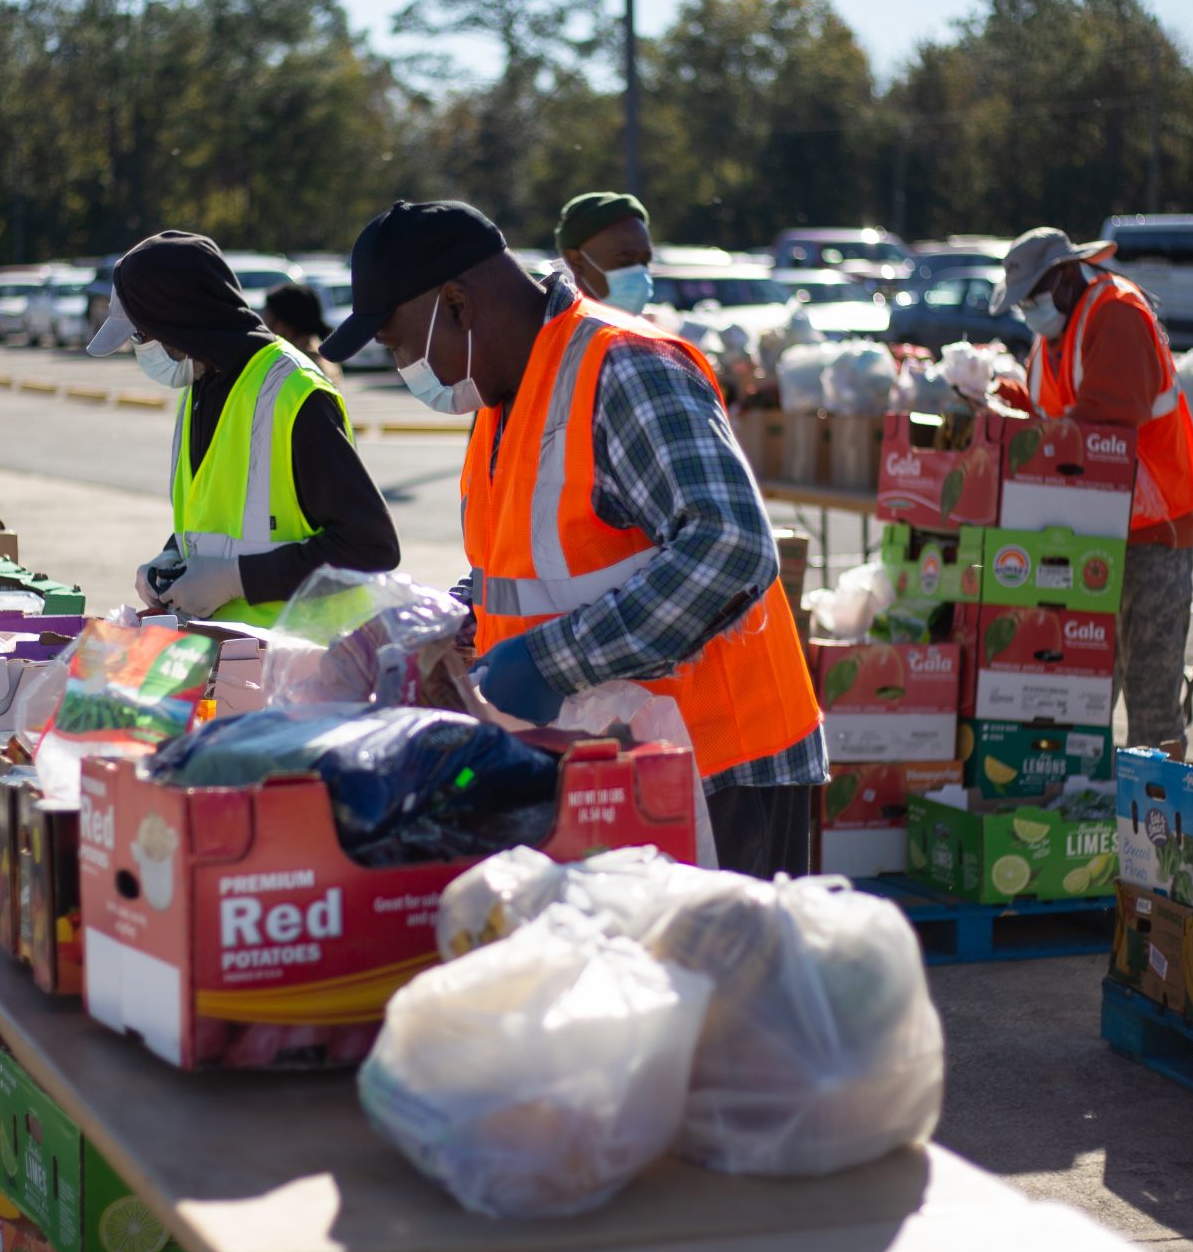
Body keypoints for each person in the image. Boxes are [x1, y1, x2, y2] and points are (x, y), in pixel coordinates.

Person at [321, 200, 826, 879]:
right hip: (613, 759)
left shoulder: (623, 367)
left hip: (719, 769)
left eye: (397, 341)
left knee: (719, 983)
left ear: (458, 306)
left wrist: (551, 662)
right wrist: (442, 630)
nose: (403, 362)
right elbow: (528, 566)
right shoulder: (504, 392)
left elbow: (729, 548)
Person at [87, 232, 399, 623]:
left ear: (177, 321)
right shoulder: (200, 388)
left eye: (140, 334)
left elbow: (371, 548)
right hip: (236, 662)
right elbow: (217, 522)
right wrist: (173, 557)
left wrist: (237, 580)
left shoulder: (295, 391)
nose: (140, 349)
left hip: (305, 663)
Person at [991, 227, 1193, 749]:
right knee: (1081, 694)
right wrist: (1012, 407)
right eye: (1022, 304)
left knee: (1151, 704)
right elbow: (1059, 412)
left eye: (1034, 298)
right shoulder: (1054, 336)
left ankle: (1161, 824)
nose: (1030, 311)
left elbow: (1103, 420)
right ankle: (1090, 814)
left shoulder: (1117, 313)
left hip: (1152, 529)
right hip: (1093, 533)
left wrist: (1029, 432)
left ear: (1067, 275)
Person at [554, 191, 655, 316]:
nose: (639, 273)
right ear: (576, 260)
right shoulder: (546, 330)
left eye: (645, 261)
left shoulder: (650, 331)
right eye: (625, 260)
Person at [260, 282, 343, 386]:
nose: (265, 328)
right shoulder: (319, 354)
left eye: (269, 321)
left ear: (286, 324)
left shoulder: (304, 367)